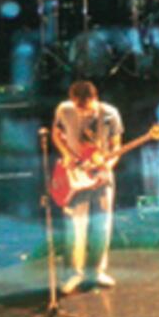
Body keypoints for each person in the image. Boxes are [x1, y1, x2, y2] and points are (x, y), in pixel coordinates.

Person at [52, 80, 124, 294]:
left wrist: (107, 166)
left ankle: (97, 271)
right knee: (76, 226)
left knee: (101, 225)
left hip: (101, 175)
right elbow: (57, 134)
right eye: (78, 106)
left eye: (86, 106)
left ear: (95, 98)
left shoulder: (110, 113)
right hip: (76, 176)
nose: (82, 111)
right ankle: (74, 273)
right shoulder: (64, 110)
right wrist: (66, 155)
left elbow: (117, 145)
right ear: (72, 100)